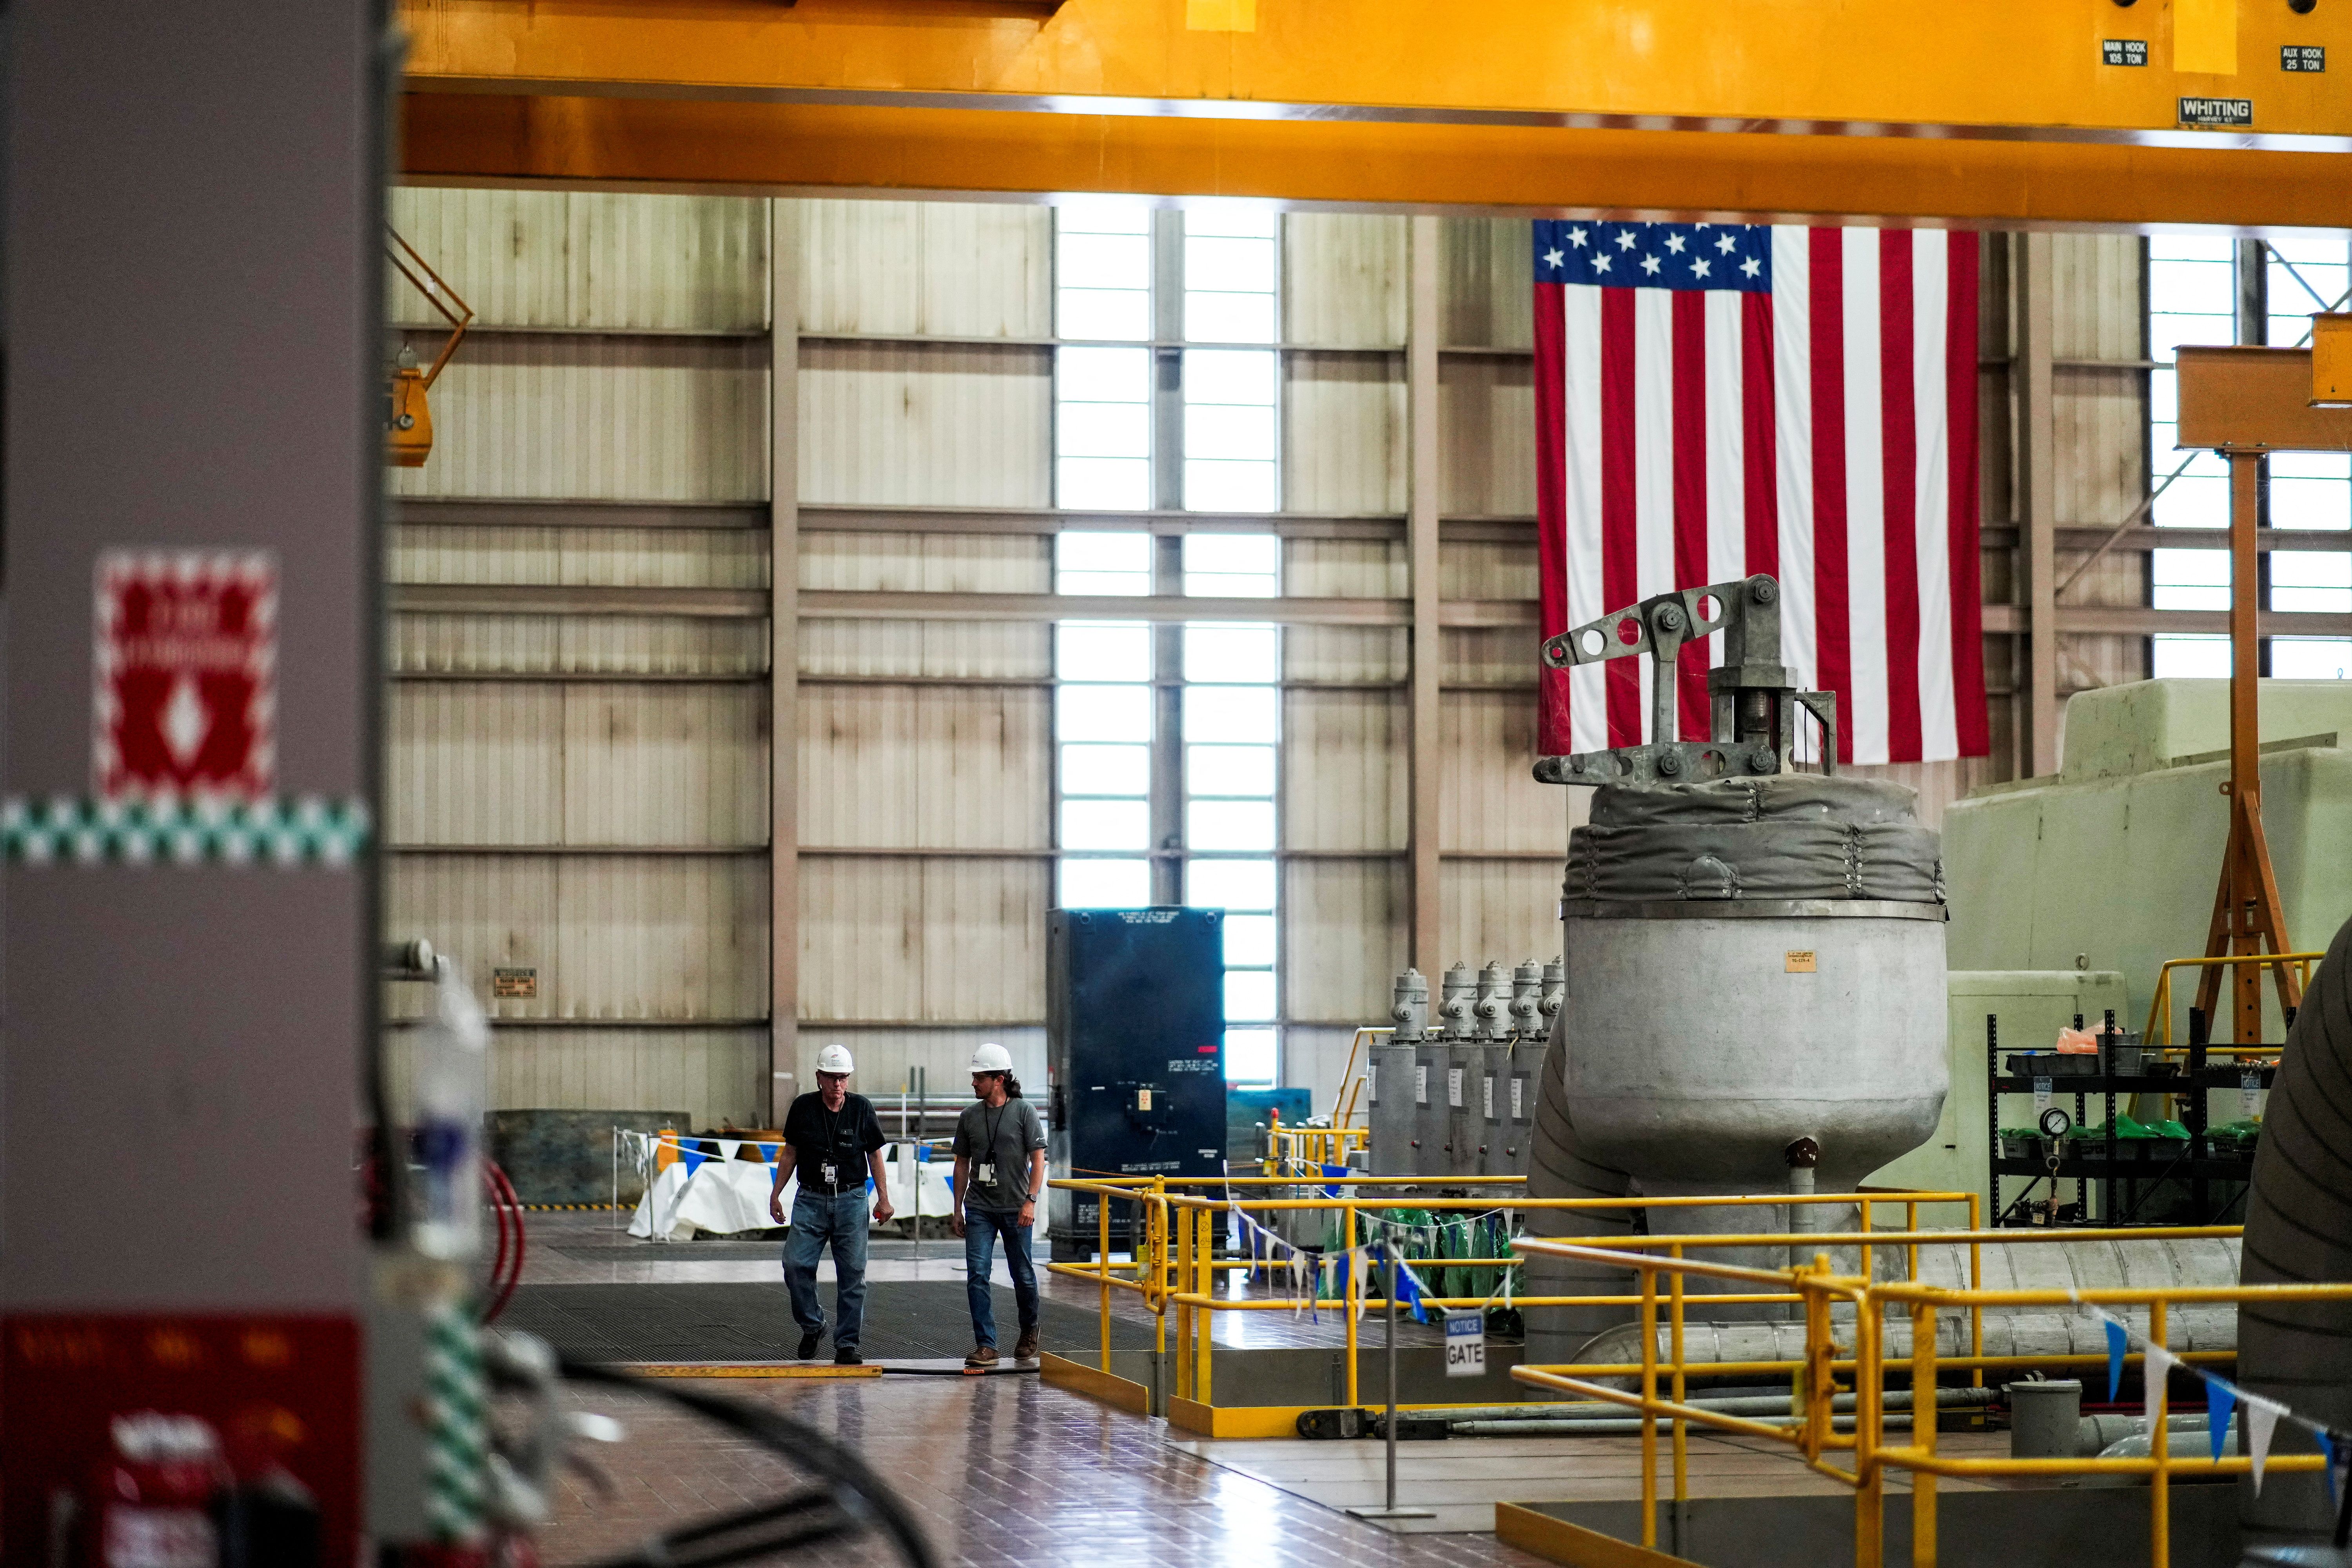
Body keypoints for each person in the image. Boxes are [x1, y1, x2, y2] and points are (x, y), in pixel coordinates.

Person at [770, 1043, 892, 1365]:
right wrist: (776, 1194)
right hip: (810, 1199)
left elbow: (875, 1155)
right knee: (795, 1264)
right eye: (832, 1078)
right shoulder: (802, 1108)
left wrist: (884, 1197)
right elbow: (790, 1154)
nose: (838, 1084)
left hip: (852, 1199)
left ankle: (847, 1344)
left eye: (843, 1078)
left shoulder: (862, 1109)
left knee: (853, 1273)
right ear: (819, 1078)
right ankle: (814, 1325)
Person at [951, 1042, 1047, 1367]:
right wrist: (958, 1208)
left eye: (979, 1077)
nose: (974, 1083)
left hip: (1017, 1208)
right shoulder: (969, 1117)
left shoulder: (1024, 1112)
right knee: (977, 1274)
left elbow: (1038, 1159)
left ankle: (1029, 1331)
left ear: (999, 1080)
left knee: (1022, 1273)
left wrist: (1030, 1201)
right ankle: (987, 1345)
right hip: (979, 1209)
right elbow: (962, 1163)